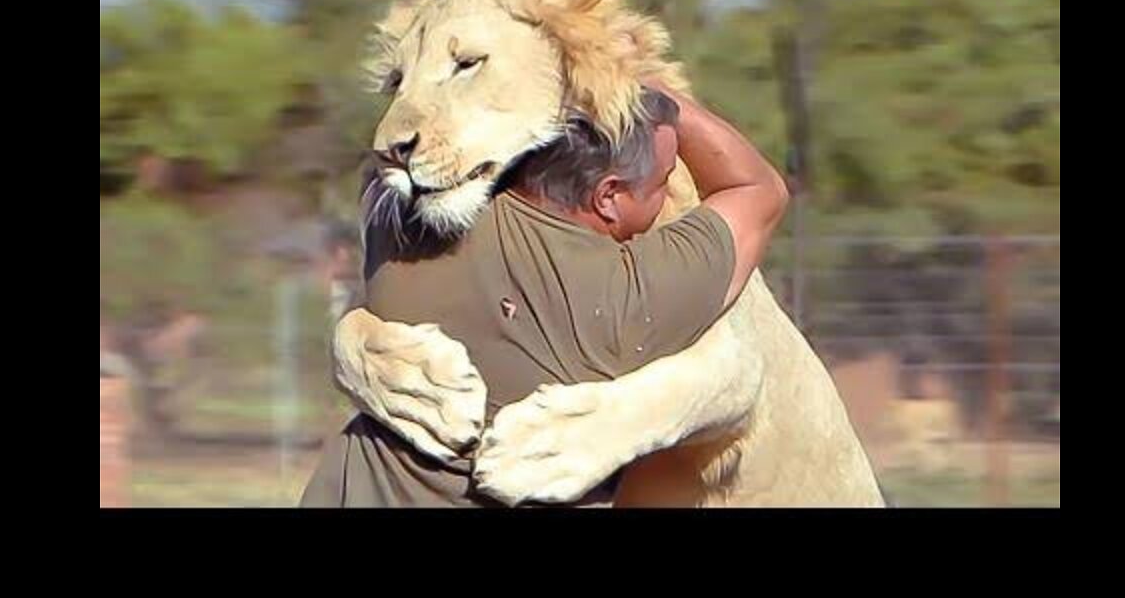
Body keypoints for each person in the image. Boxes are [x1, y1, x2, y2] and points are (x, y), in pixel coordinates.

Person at [299, 85, 789, 507]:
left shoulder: (401, 228)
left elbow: (396, 145)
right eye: (662, 184)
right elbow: (759, 189)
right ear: (609, 197)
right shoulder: (629, 299)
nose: (666, 198)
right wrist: (653, 86)